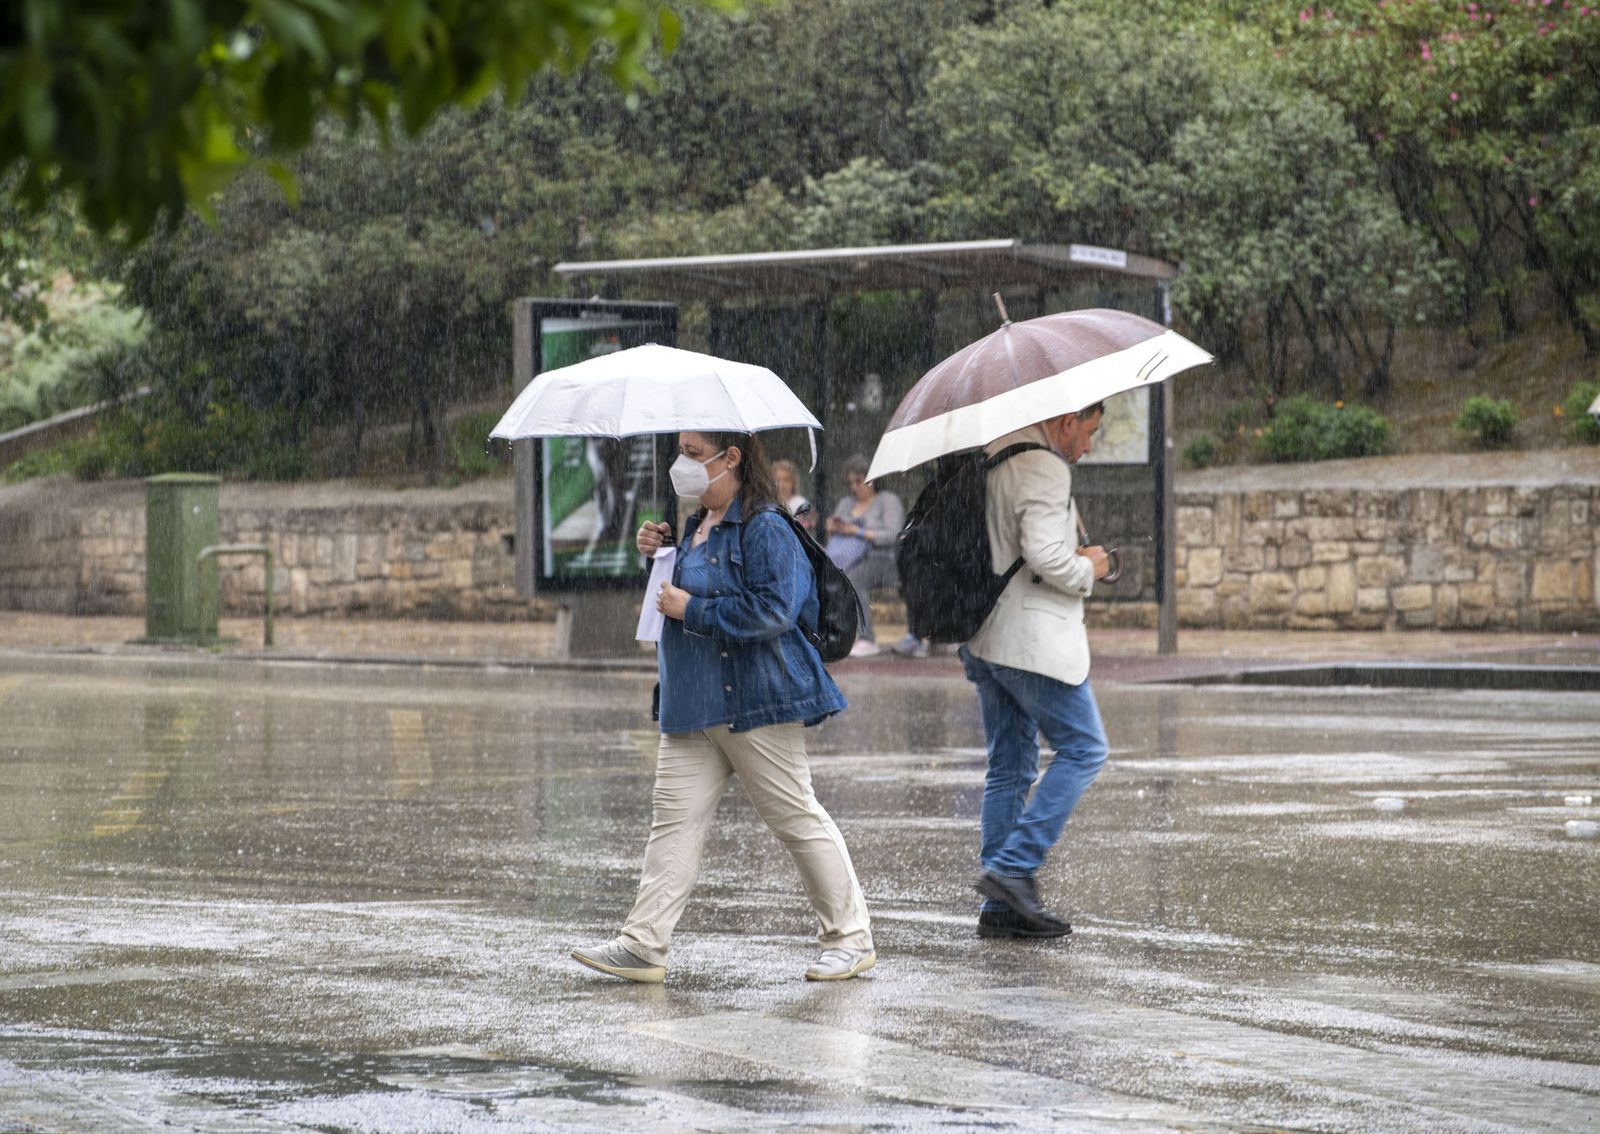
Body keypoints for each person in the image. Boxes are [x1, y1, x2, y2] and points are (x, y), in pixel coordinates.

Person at [571, 430, 876, 983]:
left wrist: (695, 609)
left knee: (795, 818)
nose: (681, 464)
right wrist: (657, 557)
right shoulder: (692, 528)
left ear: (730, 457)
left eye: (692, 452)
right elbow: (673, 599)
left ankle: (849, 938)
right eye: (681, 451)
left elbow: (776, 610)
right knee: (673, 824)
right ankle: (644, 943)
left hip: (753, 700)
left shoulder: (766, 526)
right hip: (690, 704)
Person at [962, 404, 1113, 939]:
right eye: (1090, 431)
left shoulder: (992, 452)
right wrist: (1089, 567)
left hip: (984, 636)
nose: (1088, 446)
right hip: (1031, 640)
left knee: (1009, 766)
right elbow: (1045, 555)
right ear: (1067, 420)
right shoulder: (1044, 465)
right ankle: (1013, 867)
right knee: (1086, 748)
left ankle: (1001, 910)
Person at [825, 455, 904, 658]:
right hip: (847, 558)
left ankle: (866, 636)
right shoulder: (846, 503)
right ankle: (836, 632)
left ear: (872, 480)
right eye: (850, 482)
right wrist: (834, 527)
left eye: (858, 481)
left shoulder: (887, 501)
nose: (854, 487)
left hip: (881, 558)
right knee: (831, 576)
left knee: (853, 578)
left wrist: (858, 532)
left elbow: (892, 534)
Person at [772, 458, 814, 533]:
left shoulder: (799, 503)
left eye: (786, 480)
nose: (782, 484)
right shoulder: (770, 503)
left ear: (794, 482)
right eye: (778, 480)